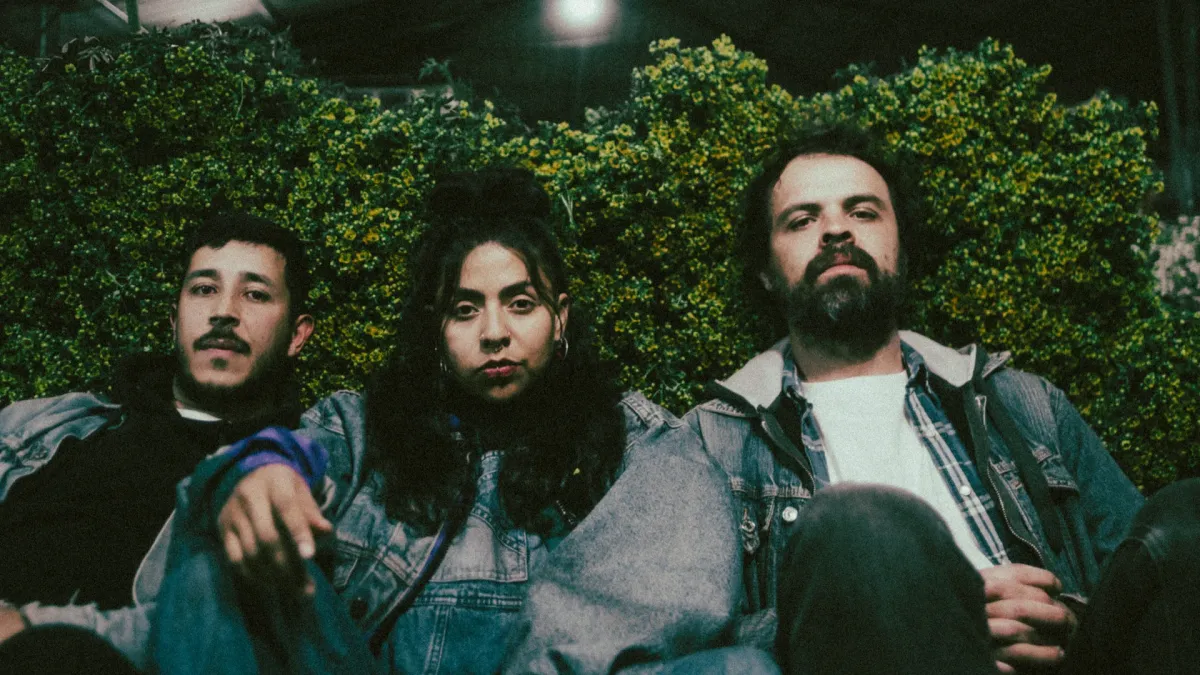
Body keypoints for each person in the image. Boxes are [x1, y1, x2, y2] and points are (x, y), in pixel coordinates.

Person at [150, 168, 740, 674]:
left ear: (559, 317)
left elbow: (677, 588)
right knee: (209, 554)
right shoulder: (365, 428)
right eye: (465, 310)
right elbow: (288, 453)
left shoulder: (637, 443)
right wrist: (258, 471)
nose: (494, 333)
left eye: (520, 303)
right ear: (436, 330)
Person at [685, 122, 1198, 674]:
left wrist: (1068, 618)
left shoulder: (1025, 404)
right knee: (857, 522)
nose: (835, 230)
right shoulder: (713, 442)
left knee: (1187, 512)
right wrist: (931, 615)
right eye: (803, 220)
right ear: (766, 271)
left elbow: (1138, 575)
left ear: (902, 250)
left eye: (863, 212)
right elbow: (691, 644)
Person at [0, 213, 316, 670]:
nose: (224, 311)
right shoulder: (47, 423)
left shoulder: (281, 479)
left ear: (297, 335)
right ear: (174, 319)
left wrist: (23, 629)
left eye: (255, 294)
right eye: (204, 289)